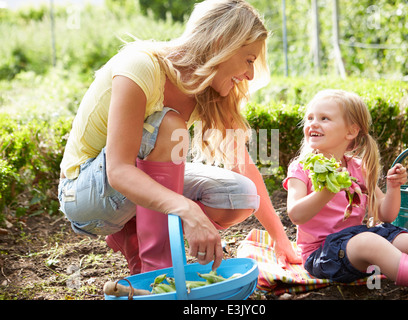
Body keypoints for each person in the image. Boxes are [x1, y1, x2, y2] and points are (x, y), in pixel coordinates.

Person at [58, 0, 300, 275]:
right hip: (85, 195)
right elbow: (118, 171)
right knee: (171, 126)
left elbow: (242, 163)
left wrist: (281, 241)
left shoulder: (212, 89)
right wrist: (188, 209)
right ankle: (160, 270)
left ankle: (135, 234)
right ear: (222, 42)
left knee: (243, 195)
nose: (250, 74)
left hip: (126, 187)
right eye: (249, 60)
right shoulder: (141, 67)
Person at [283, 89, 408, 295]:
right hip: (322, 254)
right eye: (309, 118)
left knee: (407, 240)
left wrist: (393, 188)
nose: (313, 123)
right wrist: (327, 190)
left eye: (324, 118)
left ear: (351, 132)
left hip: (358, 242)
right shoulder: (301, 168)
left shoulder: (357, 168)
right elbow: (296, 214)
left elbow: (385, 214)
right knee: (370, 241)